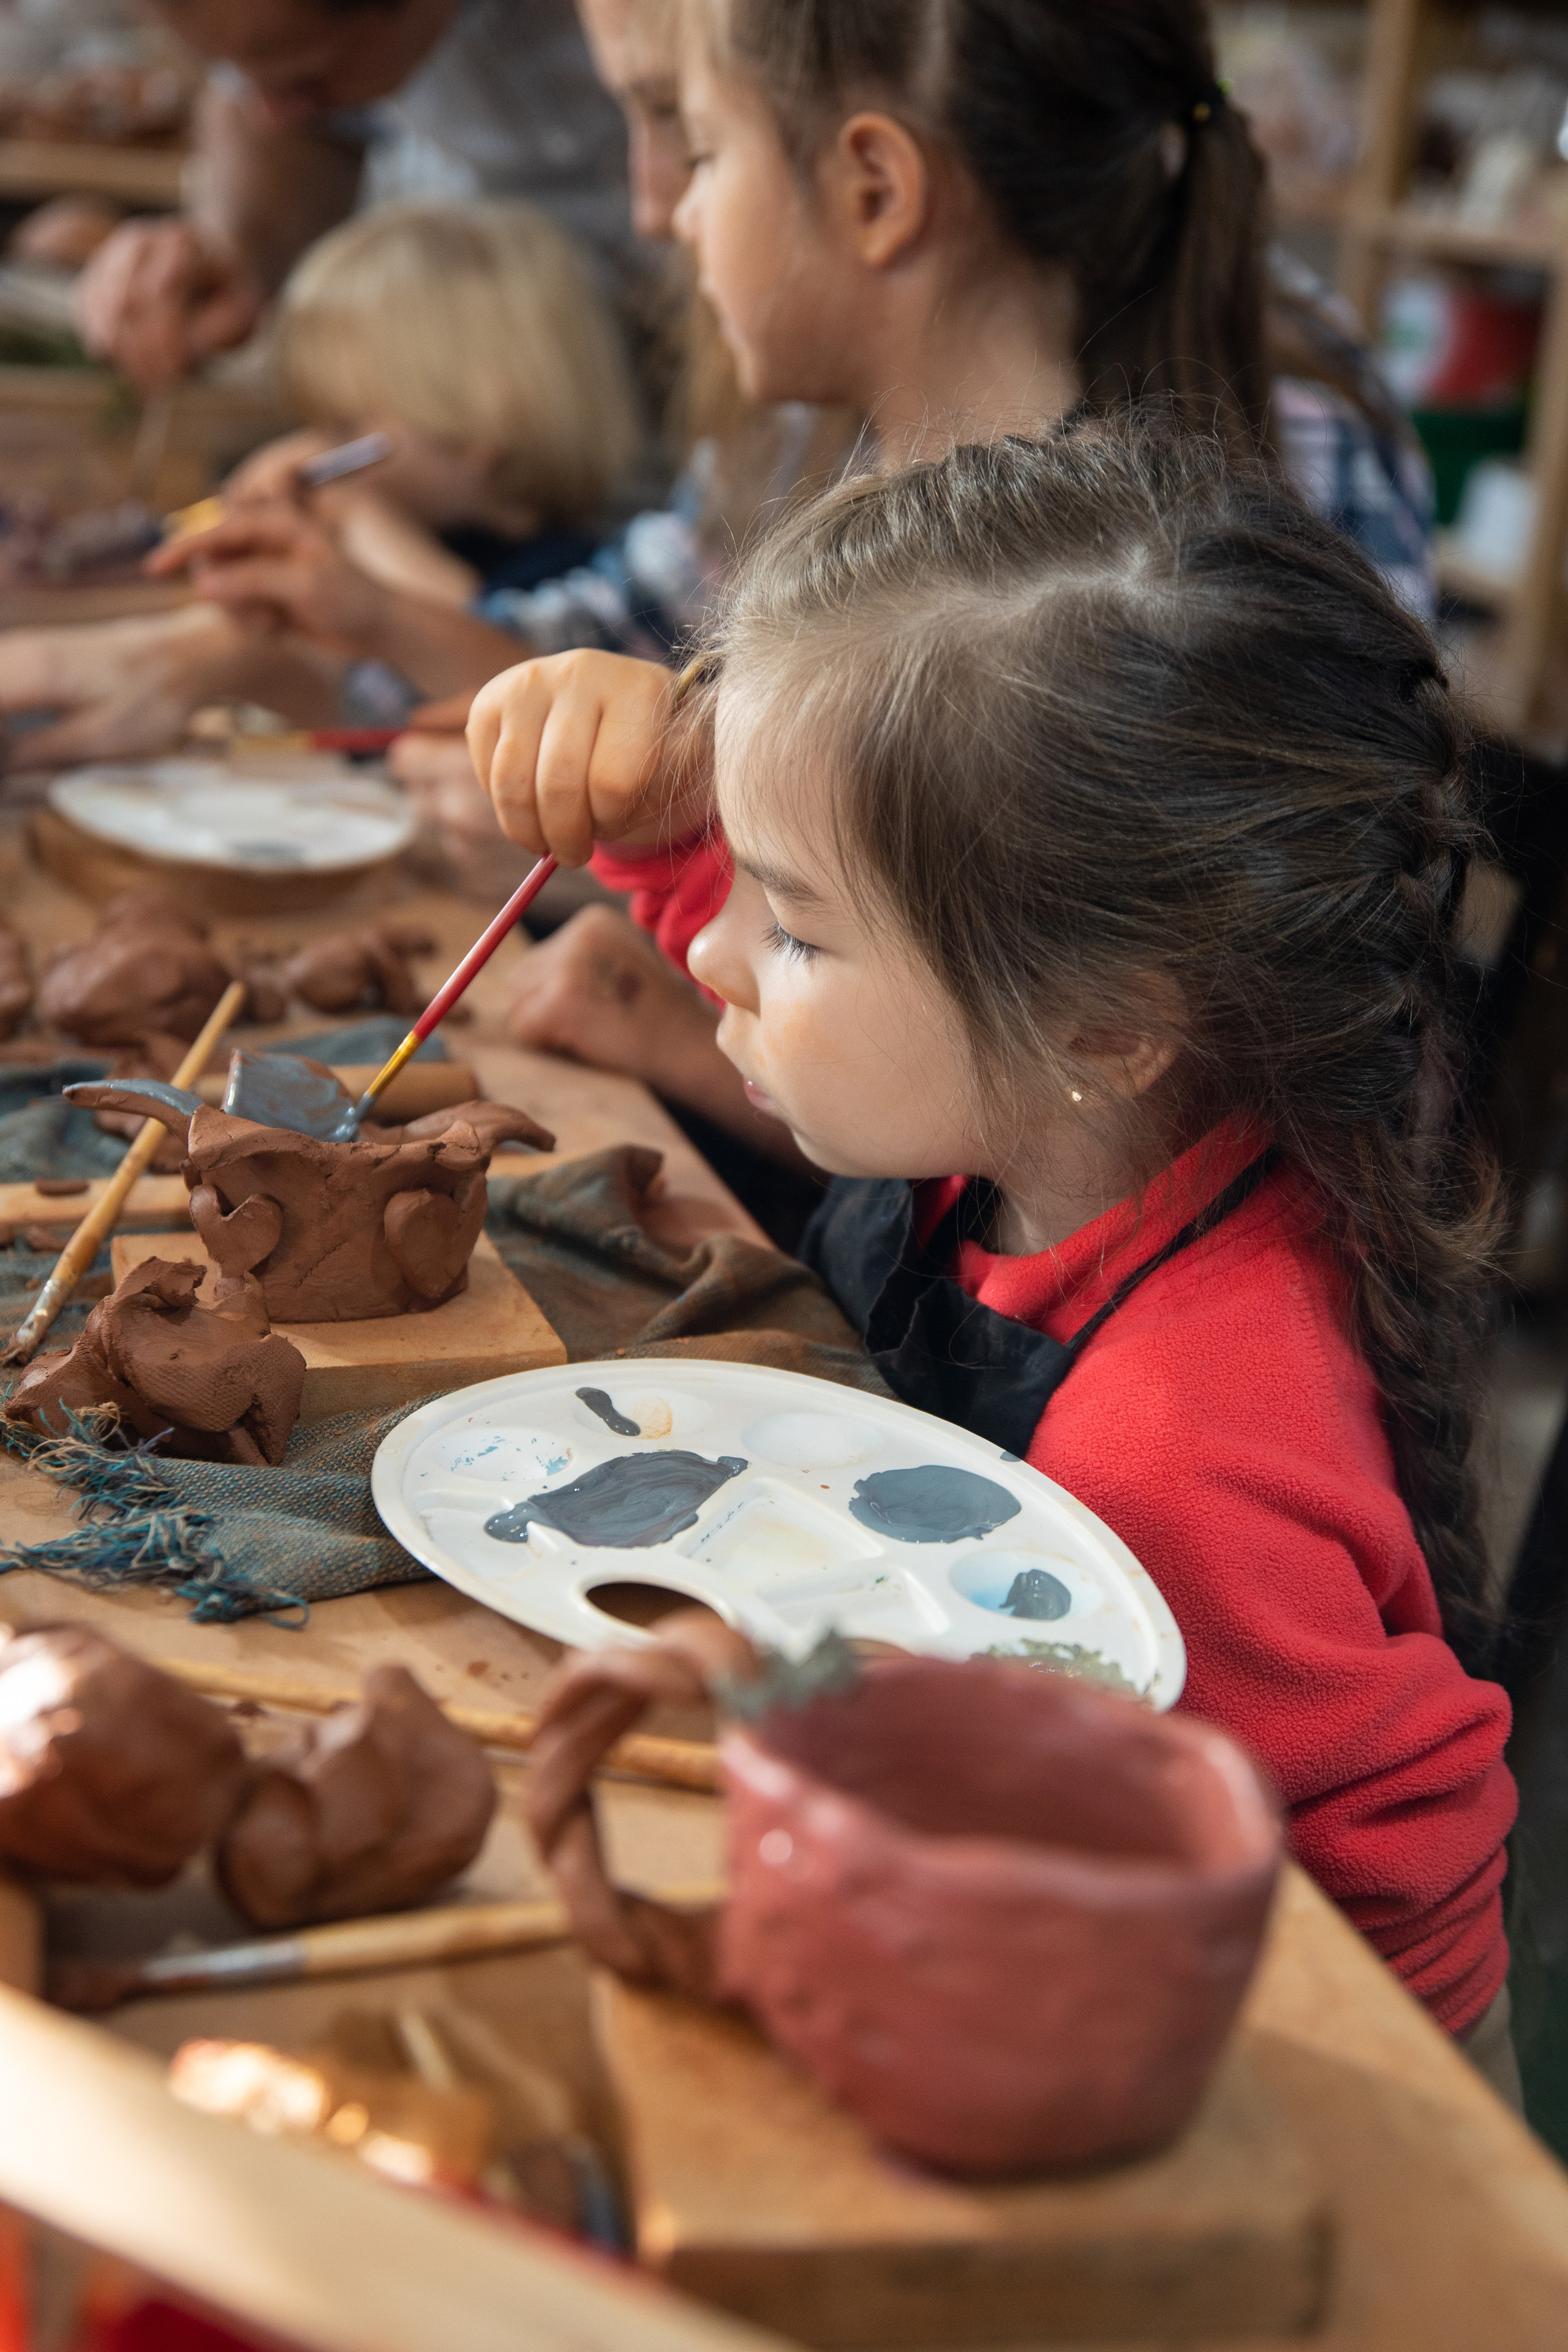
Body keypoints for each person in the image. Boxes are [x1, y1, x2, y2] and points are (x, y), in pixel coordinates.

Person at [474, 413, 1522, 2093]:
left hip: (1284, 2057)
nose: (715, 955)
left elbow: (1336, 1972)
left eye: (794, 921)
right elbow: (847, 986)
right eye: (740, 887)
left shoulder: (1175, 1460)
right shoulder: (1068, 1100)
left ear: (1104, 1021)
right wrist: (653, 798)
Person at [459, 0, 1437, 1148]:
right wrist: (655, 799)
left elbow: (1104, 1098)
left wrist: (689, 1025)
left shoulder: (1184, 569)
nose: (661, 209)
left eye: (702, 147)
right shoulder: (827, 455)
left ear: (876, 188)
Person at [0, 198, 637, 769]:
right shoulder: (426, 530)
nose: (320, 451)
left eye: (347, 426)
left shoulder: (574, 572)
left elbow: (488, 653)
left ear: (487, 417)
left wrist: (364, 523)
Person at [72, 0, 630, 390]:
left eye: (305, 79)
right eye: (238, 73)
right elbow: (282, 125)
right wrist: (227, 255)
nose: (271, 110)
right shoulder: (297, 36)